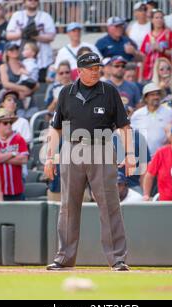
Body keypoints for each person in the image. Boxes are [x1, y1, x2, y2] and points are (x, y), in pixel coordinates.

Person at [44, 52, 136, 271]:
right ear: (80, 71)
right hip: (72, 148)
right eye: (91, 68)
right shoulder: (66, 92)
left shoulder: (109, 91)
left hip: (102, 148)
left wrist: (130, 154)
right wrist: (49, 157)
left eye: (98, 67)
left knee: (109, 204)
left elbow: (124, 126)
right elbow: (56, 128)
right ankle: (64, 257)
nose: (96, 71)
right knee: (68, 205)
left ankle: (117, 259)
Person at [6, 0, 57, 81]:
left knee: (40, 86)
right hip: (20, 60)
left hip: (41, 60)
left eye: (35, 0)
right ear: (24, 2)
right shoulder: (17, 15)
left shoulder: (45, 16)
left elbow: (51, 37)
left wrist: (36, 36)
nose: (33, 1)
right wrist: (22, 33)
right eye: (30, 0)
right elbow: (8, 35)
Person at [0, 109, 29, 201]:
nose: (9, 125)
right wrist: (13, 153)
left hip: (16, 191)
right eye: (5, 123)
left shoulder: (19, 139)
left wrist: (0, 157)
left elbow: (24, 159)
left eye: (10, 122)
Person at [131, 82, 172, 156]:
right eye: (152, 95)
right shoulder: (137, 115)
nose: (156, 97)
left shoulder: (169, 113)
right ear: (146, 98)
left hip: (164, 156)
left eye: (157, 94)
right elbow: (132, 138)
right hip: (142, 157)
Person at [140, 9, 172, 81]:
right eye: (156, 18)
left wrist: (161, 49)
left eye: (161, 18)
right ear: (152, 20)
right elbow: (143, 56)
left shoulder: (169, 34)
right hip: (148, 73)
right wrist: (140, 76)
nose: (159, 20)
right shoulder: (148, 36)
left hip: (163, 73)